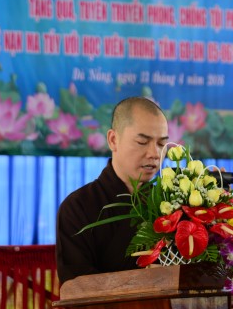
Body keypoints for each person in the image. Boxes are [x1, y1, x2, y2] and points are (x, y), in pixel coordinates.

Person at [55, 96, 169, 284]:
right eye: (142, 142)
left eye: (161, 144)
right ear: (113, 140)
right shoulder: (77, 207)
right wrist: (146, 282)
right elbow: (77, 287)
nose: (155, 154)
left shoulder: (168, 204)